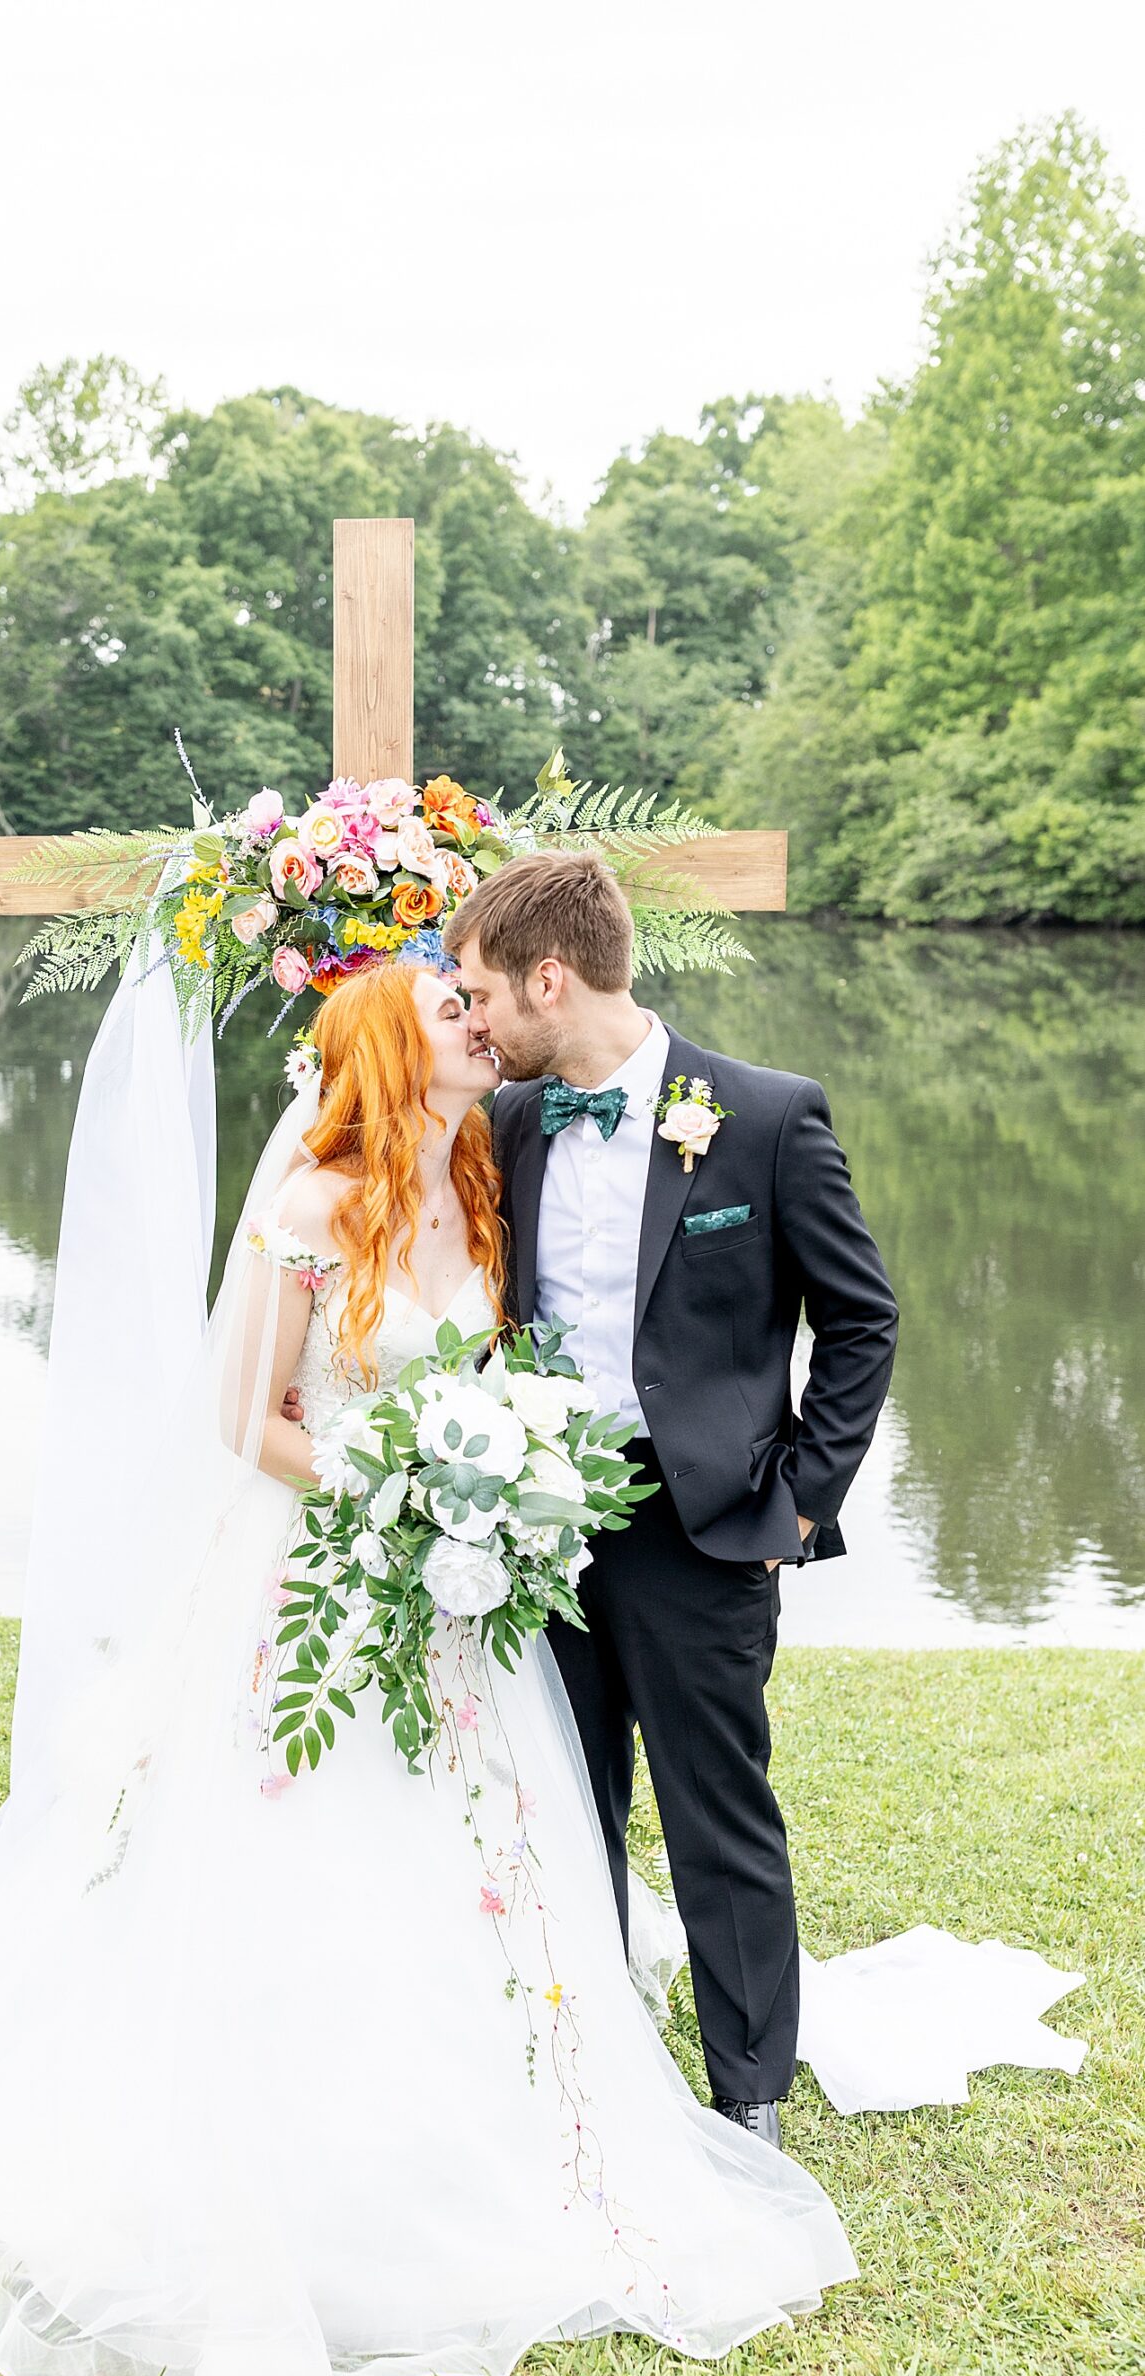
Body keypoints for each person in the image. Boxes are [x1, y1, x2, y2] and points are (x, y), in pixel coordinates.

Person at [0, 958, 866, 2376]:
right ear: (382, 1053)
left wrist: (491, 1484)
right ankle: (301, 2108)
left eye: (481, 1008)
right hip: (329, 1563)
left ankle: (551, 2093)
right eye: (449, 1017)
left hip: (468, 1583)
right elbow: (248, 1412)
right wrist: (395, 1486)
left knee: (505, 1828)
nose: (480, 1030)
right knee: (315, 1827)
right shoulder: (309, 1210)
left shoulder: (494, 1171)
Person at [448, 851, 899, 2150]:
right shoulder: (508, 1123)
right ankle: (580, 2059)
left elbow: (858, 1318)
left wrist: (803, 1503)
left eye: (484, 994)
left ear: (552, 978)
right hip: (531, 1521)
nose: (474, 1022)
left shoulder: (762, 1115)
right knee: (560, 1797)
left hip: (698, 1525)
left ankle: (747, 2097)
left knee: (718, 1808)